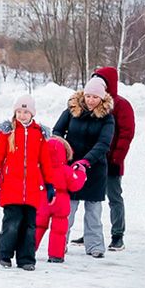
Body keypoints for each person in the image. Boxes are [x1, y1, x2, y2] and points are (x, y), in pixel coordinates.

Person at [0, 96, 52, 270]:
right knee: (12, 225)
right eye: (19, 111)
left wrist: (50, 185)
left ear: (32, 113)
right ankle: (5, 255)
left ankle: (26, 259)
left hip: (32, 189)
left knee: (30, 227)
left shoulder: (39, 134)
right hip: (11, 188)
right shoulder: (7, 132)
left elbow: (45, 162)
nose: (22, 115)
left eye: (26, 112)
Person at [52, 78, 115, 258]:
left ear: (102, 98)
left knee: (93, 212)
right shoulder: (72, 111)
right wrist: (65, 151)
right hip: (71, 168)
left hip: (94, 170)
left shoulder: (107, 118)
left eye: (95, 97)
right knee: (67, 210)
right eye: (88, 95)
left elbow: (103, 143)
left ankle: (94, 245)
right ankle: (60, 243)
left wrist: (86, 162)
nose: (90, 100)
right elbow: (57, 132)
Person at [83, 68, 134, 251]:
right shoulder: (92, 104)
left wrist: (116, 160)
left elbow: (126, 135)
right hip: (93, 161)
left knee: (114, 197)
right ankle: (91, 233)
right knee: (91, 198)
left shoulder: (121, 105)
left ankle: (117, 234)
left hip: (111, 161)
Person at [36, 136, 87, 263]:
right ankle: (56, 255)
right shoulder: (66, 170)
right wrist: (81, 172)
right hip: (61, 202)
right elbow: (75, 185)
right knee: (59, 230)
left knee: (37, 226)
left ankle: (28, 250)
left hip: (43, 200)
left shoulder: (40, 168)